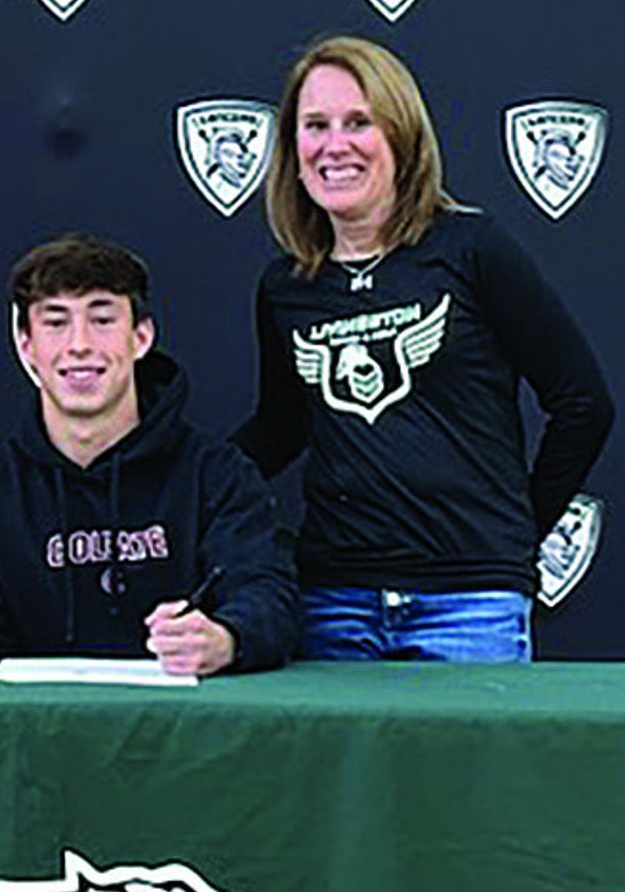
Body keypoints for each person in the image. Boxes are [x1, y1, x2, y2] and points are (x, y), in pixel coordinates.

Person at [232, 36, 613, 661]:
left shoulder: (472, 249)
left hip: (469, 608)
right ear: (293, 152)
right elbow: (281, 429)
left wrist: (516, 534)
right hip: (333, 603)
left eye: (360, 122)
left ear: (402, 137)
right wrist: (173, 474)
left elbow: (583, 403)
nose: (335, 145)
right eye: (315, 126)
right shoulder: (287, 287)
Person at [0, 234, 298, 676]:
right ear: (26, 345)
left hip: (187, 734)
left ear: (141, 337)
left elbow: (267, 596)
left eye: (102, 319)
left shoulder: (217, 475)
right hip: (37, 735)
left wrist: (226, 639)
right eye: (55, 322)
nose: (79, 345)